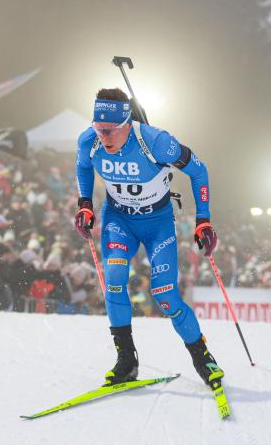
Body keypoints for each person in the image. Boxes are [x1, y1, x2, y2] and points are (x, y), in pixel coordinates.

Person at [74, 88, 223, 391]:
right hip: (119, 220)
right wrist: (85, 204)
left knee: (165, 295)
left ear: (127, 122)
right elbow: (83, 167)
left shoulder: (155, 142)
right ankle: (126, 360)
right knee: (114, 279)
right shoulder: (89, 142)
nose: (104, 137)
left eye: (111, 130)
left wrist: (203, 220)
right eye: (99, 128)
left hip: (157, 224)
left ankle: (202, 358)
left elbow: (199, 171)